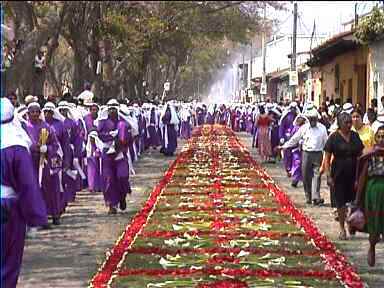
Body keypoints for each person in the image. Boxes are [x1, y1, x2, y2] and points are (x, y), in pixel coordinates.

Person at [1, 98, 48, 288]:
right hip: (8, 209)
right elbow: (27, 184)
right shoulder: (16, 146)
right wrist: (35, 217)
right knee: (8, 262)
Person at [321, 112, 364, 240]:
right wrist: (328, 175)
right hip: (338, 174)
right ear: (340, 124)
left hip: (354, 173)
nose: (350, 125)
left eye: (350, 122)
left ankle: (351, 222)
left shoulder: (355, 136)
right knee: (340, 203)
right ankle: (341, 228)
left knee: (353, 201)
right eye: (347, 122)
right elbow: (327, 157)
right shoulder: (333, 137)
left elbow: (361, 153)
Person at [278, 106, 328, 206]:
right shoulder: (304, 128)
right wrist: (284, 146)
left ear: (317, 119)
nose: (312, 120)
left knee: (317, 176)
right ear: (308, 119)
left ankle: (315, 196)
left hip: (318, 154)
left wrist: (326, 156)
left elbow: (326, 143)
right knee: (306, 176)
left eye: (314, 118)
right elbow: (295, 139)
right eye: (311, 119)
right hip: (306, 154)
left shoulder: (322, 128)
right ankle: (308, 196)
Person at [23, 102, 62, 225]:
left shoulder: (47, 127)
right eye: (32, 112)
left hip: (44, 162)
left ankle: (54, 214)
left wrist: (47, 149)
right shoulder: (24, 128)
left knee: (48, 188)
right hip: (29, 162)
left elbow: (55, 145)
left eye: (36, 111)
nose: (34, 114)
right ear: (28, 114)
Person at [354, 125, 384, 266]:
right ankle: (372, 246)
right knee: (374, 223)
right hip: (373, 192)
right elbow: (362, 178)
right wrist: (357, 200)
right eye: (379, 136)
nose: (381, 139)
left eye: (383, 137)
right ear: (375, 138)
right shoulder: (370, 155)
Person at [98, 99, 131, 214]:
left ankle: (122, 197)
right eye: (110, 108)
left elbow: (130, 136)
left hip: (120, 153)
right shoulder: (103, 122)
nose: (112, 110)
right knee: (109, 179)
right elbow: (99, 134)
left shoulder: (123, 122)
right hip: (107, 153)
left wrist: (121, 141)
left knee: (122, 176)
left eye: (114, 108)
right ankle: (112, 204)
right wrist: (110, 136)